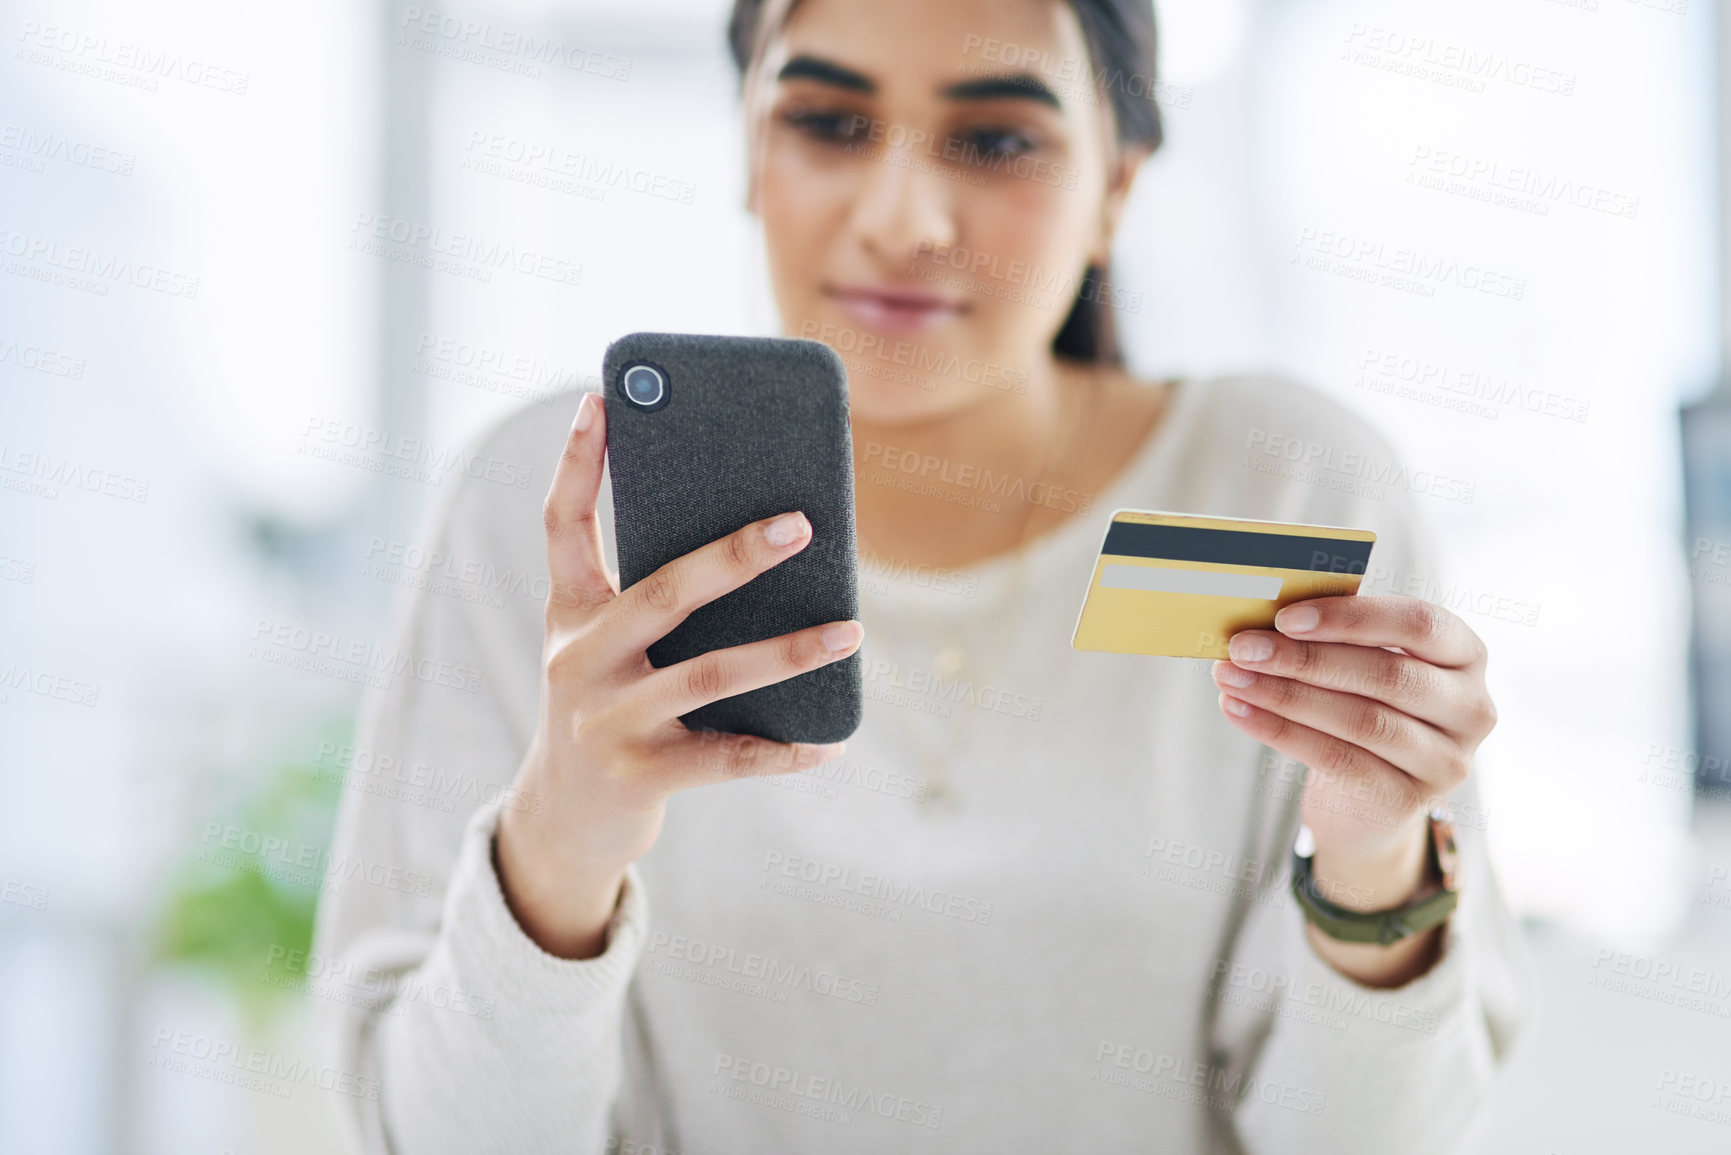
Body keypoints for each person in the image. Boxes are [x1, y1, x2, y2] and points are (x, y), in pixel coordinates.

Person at [314, 0, 1536, 1150]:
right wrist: (559, 844)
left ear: (1117, 185)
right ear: (746, 147)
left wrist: (1373, 856)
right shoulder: (560, 511)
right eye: (828, 122)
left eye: (997, 138)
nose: (903, 218)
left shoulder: (1285, 486)